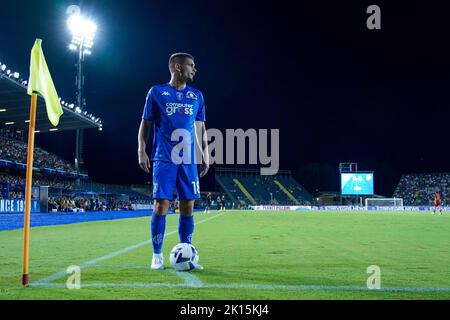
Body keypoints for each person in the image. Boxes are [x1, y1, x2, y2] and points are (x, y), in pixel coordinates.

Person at [138, 52, 209, 270]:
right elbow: (145, 124)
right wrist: (141, 149)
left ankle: (186, 254)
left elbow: (200, 128)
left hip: (187, 160)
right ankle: (157, 255)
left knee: (188, 205)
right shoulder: (157, 92)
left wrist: (205, 153)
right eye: (191, 65)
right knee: (161, 205)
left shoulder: (197, 96)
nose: (194, 69)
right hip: (164, 158)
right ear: (178, 67)